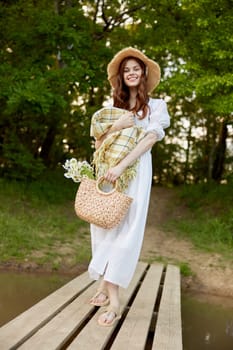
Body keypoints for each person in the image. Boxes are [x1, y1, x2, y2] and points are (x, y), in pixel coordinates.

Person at [88, 47, 170, 327]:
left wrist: (122, 167)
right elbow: (98, 145)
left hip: (135, 172)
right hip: (108, 174)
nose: (132, 72)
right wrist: (116, 125)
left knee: (127, 232)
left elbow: (149, 140)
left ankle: (114, 302)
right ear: (121, 77)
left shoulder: (157, 107)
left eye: (136, 68)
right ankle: (104, 285)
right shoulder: (113, 108)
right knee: (104, 226)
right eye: (127, 70)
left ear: (144, 74)